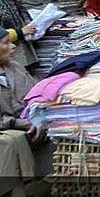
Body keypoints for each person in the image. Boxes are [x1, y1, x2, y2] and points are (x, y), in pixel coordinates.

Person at [0, 26, 51, 195]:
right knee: (13, 140)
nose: (13, 46)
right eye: (6, 43)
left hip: (24, 123)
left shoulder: (14, 67)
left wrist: (38, 118)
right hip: (8, 127)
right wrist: (16, 123)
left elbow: (35, 93)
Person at [0, 0, 37, 68]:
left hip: (23, 55)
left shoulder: (17, 5)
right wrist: (20, 32)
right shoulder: (3, 8)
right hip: (10, 58)